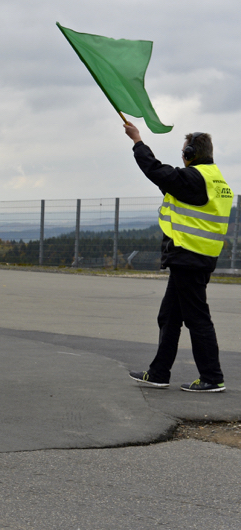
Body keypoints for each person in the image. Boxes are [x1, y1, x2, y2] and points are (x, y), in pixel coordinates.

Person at [124, 122, 233, 393]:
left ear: (189, 152)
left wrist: (137, 141)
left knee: (197, 318)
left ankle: (212, 377)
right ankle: (159, 373)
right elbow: (173, 188)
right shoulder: (215, 180)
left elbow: (157, 171)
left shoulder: (195, 178)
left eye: (184, 152)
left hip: (190, 257)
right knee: (169, 317)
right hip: (197, 257)